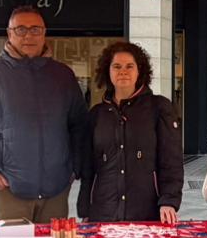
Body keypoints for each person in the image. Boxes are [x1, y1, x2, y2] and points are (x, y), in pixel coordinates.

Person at [0, 6, 88, 224]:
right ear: (9, 34)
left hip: (56, 191)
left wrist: (74, 167)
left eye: (35, 29)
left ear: (44, 33)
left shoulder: (63, 75)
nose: (28, 35)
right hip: (10, 189)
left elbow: (79, 124)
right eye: (20, 29)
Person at [78, 41, 184, 225]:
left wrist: (169, 201)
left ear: (139, 71)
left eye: (129, 66)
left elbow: (171, 161)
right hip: (103, 211)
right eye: (117, 66)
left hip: (146, 211)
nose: (123, 71)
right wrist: (85, 210)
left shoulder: (158, 108)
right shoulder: (96, 114)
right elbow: (89, 169)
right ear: (108, 71)